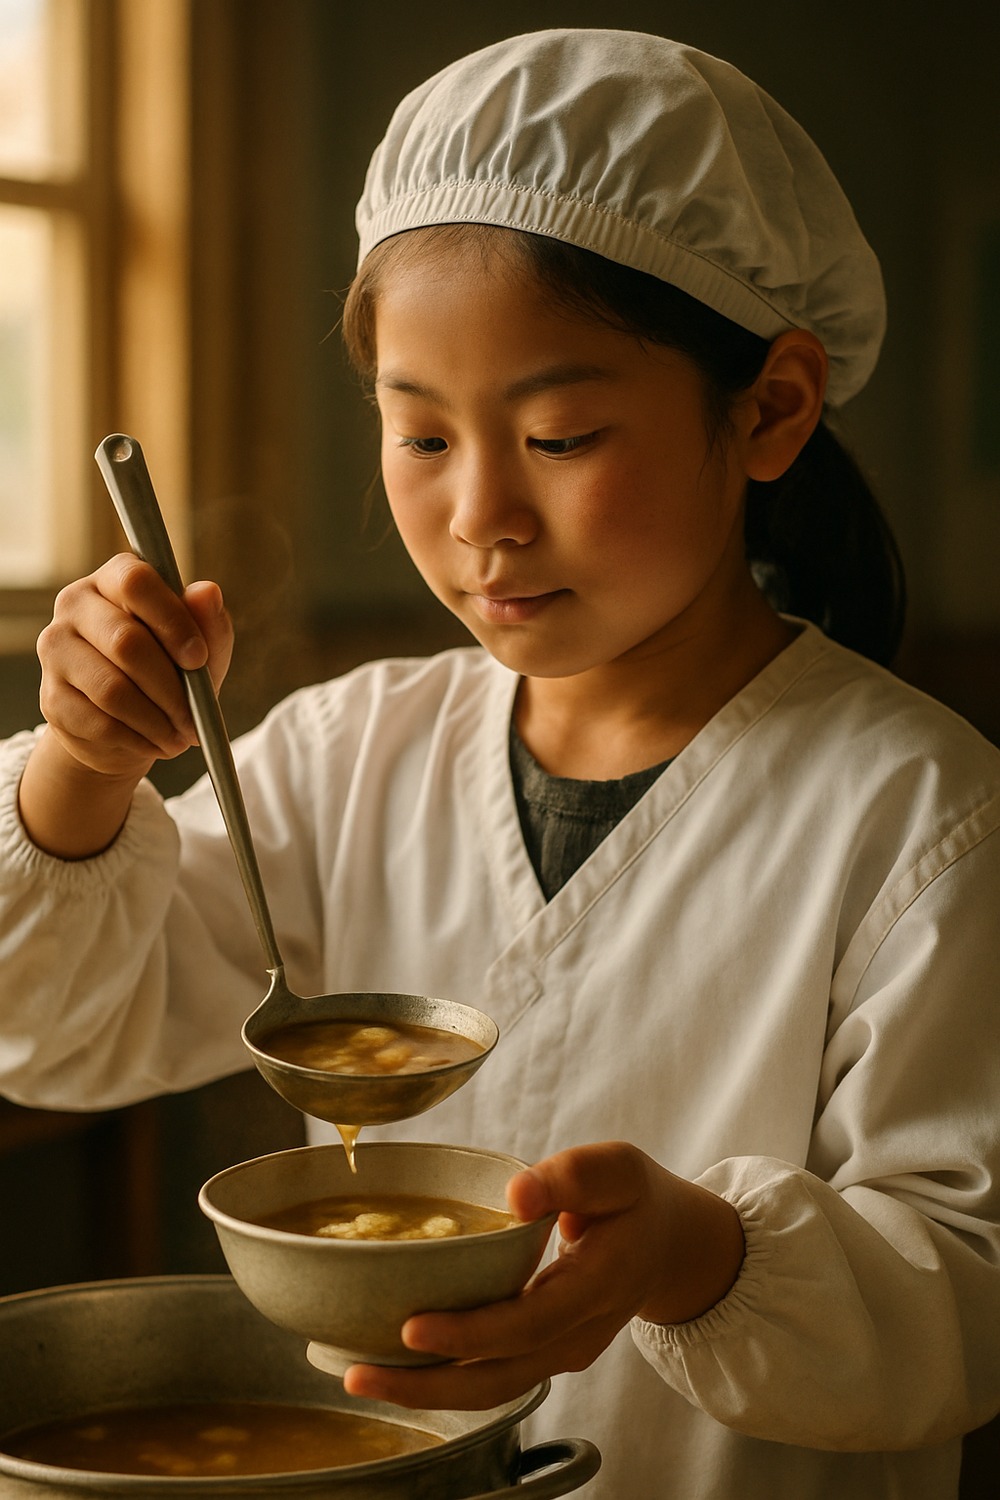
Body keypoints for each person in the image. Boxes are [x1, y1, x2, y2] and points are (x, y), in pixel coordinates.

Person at [1, 28, 998, 1499]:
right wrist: (81, 773)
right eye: (417, 436)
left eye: (561, 432)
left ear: (773, 407)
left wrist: (702, 1258)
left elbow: (968, 1293)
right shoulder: (355, 755)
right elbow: (62, 1028)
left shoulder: (918, 814)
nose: (481, 516)